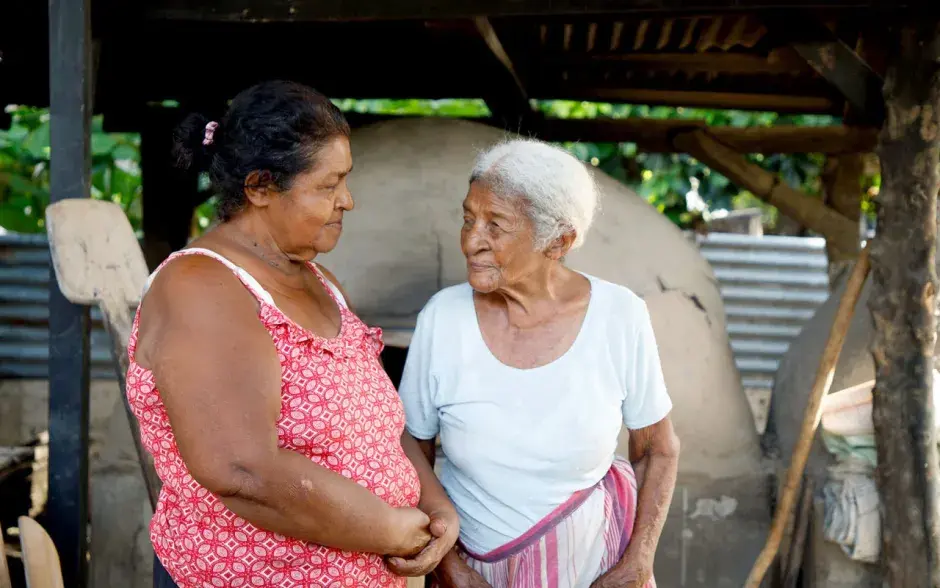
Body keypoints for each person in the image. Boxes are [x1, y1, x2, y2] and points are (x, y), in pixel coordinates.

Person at [125, 80, 459, 588]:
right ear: (259, 187)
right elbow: (242, 471)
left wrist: (435, 506)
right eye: (328, 186)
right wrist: (388, 529)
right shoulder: (203, 287)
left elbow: (379, 423)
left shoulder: (321, 282)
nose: (348, 201)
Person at [398, 139, 680, 588]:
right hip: (473, 571)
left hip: (591, 566)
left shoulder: (619, 315)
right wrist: (449, 565)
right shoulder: (443, 317)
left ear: (559, 241)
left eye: (497, 225)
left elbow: (657, 450)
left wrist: (639, 560)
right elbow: (410, 446)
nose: (472, 241)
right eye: (468, 218)